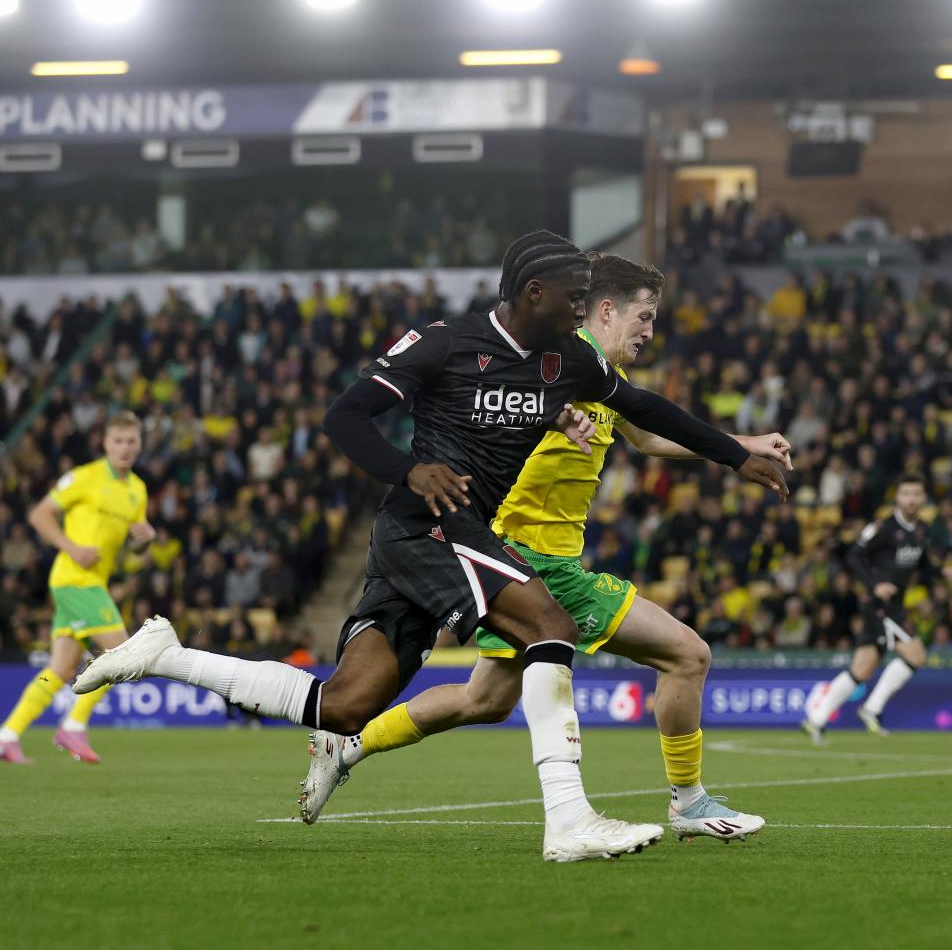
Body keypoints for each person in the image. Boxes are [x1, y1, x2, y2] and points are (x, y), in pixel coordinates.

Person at [74, 231, 788, 863]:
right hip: (427, 524)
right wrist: (406, 468)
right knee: (551, 627)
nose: (580, 312)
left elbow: (648, 411)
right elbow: (346, 416)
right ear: (533, 293)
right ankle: (570, 820)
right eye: (573, 299)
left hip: (446, 538)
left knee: (346, 706)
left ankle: (163, 655)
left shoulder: (568, 362)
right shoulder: (443, 343)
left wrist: (733, 455)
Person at [299, 253, 788, 839]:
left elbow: (651, 435)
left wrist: (740, 446)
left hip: (516, 557)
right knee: (687, 654)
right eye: (645, 317)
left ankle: (347, 744)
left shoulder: (599, 379)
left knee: (485, 700)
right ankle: (687, 801)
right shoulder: (556, 365)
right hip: (530, 561)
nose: (650, 333)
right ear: (605, 309)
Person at [0, 412, 155, 764]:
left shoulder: (137, 490)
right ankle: (74, 725)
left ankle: (7, 735)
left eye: (132, 441)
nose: (125, 448)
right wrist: (73, 548)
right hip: (74, 579)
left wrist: (146, 541)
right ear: (105, 443)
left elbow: (135, 545)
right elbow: (40, 514)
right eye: (118, 441)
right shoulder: (85, 477)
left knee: (60, 669)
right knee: (124, 653)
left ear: (140, 444)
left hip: (90, 583)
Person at [802, 472, 934, 741]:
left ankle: (816, 719)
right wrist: (875, 585)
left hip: (892, 605)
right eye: (906, 493)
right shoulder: (883, 528)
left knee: (861, 669)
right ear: (897, 497)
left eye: (916, 494)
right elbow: (855, 555)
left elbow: (923, 566)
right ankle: (872, 709)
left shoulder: (921, 531)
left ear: (923, 498)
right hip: (881, 606)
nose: (911, 499)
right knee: (916, 655)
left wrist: (941, 573)